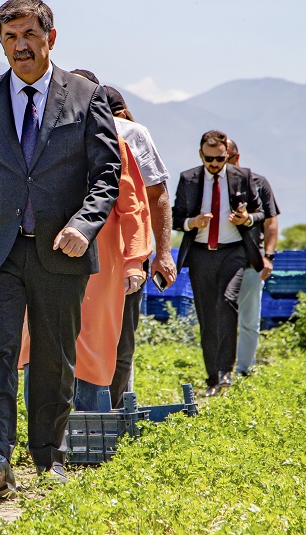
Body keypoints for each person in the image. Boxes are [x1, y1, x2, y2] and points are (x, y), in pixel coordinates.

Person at [0, 0, 121, 496]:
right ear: (1, 44)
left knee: (53, 354)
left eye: (28, 36)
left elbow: (108, 176)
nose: (20, 46)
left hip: (61, 251)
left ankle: (49, 455)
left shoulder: (86, 97)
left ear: (50, 37)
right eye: (10, 38)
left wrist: (83, 226)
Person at [18, 122, 151, 411]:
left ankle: (89, 430)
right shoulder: (34, 138)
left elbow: (133, 210)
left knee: (92, 343)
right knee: (39, 337)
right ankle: (43, 435)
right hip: (42, 257)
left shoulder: (112, 147)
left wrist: (133, 262)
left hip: (101, 267)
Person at [92, 82, 176, 405]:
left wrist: (163, 252)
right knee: (104, 338)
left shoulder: (131, 133)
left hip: (127, 254)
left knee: (118, 337)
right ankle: (90, 417)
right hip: (90, 254)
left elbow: (154, 196)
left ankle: (111, 414)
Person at [171, 130, 264, 397]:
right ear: (201, 154)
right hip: (200, 254)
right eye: (209, 159)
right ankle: (213, 377)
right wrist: (193, 222)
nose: (214, 164)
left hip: (233, 252)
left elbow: (259, 214)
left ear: (228, 155)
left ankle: (226, 371)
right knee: (207, 316)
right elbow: (176, 218)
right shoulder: (188, 179)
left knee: (226, 302)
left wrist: (245, 219)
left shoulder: (242, 177)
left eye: (220, 159)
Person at [226, 138, 280, 377]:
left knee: (248, 320)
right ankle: (220, 370)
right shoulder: (206, 187)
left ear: (236, 158)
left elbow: (271, 222)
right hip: (218, 261)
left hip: (250, 260)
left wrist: (268, 256)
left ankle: (243, 370)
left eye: (224, 159)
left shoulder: (258, 183)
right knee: (220, 318)